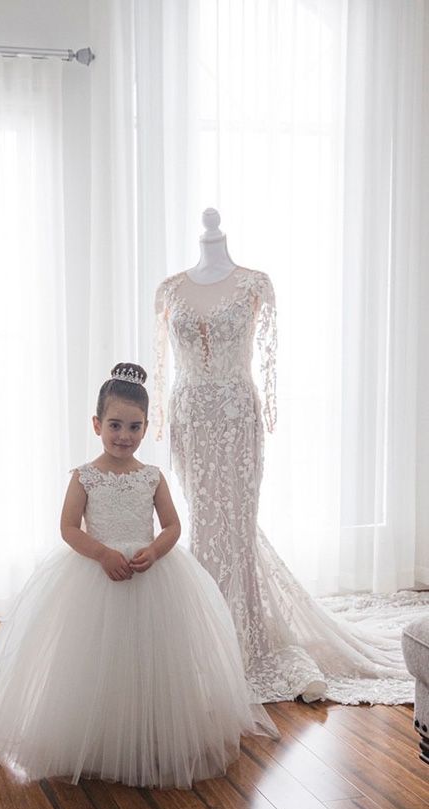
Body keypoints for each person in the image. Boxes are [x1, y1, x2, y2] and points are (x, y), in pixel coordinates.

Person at [0, 362, 278, 789]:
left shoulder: (152, 477)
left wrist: (155, 550)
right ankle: (97, 733)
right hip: (96, 572)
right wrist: (103, 553)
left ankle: (150, 731)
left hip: (150, 577)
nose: (124, 436)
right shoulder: (84, 476)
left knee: (152, 658)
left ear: (146, 428)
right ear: (96, 424)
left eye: (134, 426)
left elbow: (173, 526)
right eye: (115, 425)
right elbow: (69, 528)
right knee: (94, 658)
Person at [154, 208, 416, 705]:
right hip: (191, 418)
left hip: (235, 418)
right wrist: (164, 420)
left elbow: (266, 365)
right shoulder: (169, 290)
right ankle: (206, 631)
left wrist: (262, 408)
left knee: (235, 523)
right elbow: (164, 365)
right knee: (205, 521)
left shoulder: (257, 283)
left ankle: (241, 638)